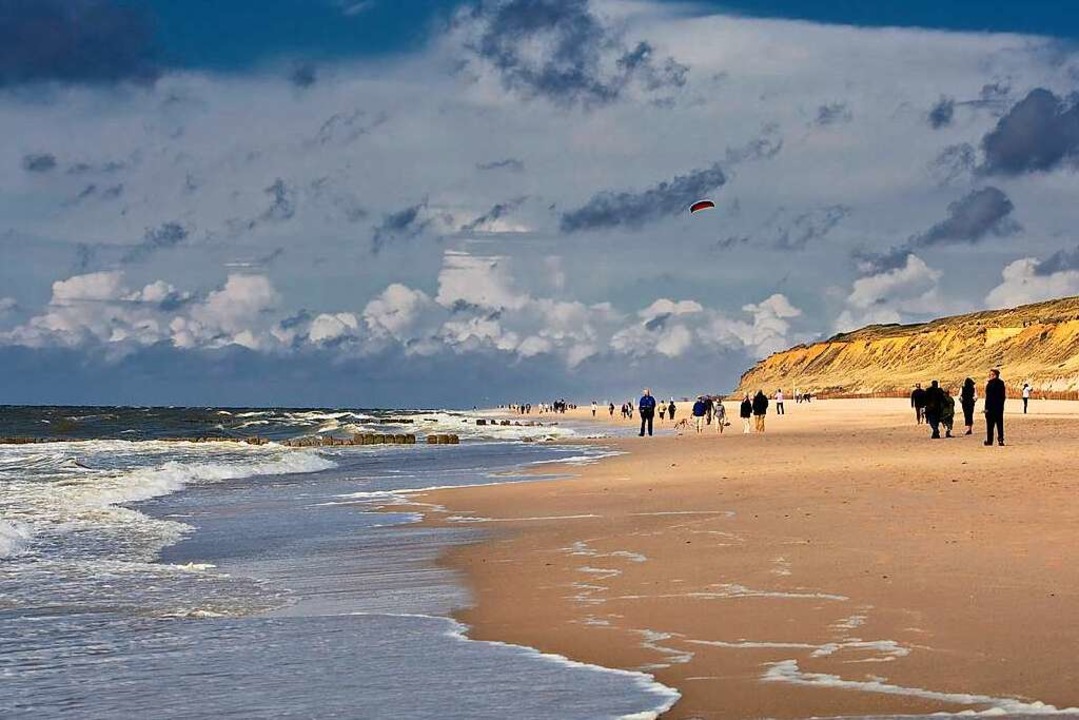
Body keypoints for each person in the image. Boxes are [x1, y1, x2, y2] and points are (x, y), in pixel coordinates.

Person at [984, 369, 1006, 446]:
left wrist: (986, 408)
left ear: (995, 375)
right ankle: (999, 440)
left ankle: (991, 440)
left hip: (992, 408)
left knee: (991, 425)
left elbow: (988, 398)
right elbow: (1002, 397)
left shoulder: (991, 384)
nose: (990, 376)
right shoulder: (999, 383)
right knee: (998, 425)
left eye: (991, 375)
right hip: (997, 408)